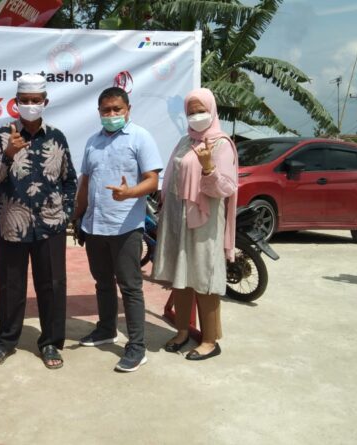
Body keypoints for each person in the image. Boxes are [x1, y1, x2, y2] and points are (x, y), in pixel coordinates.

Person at [0, 74, 78, 370]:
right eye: (24, 100)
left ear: (45, 102)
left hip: (50, 226)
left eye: (35, 100)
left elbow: (69, 179)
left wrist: (64, 212)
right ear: (15, 102)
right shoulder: (1, 135)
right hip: (11, 226)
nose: (30, 105)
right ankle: (5, 341)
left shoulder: (57, 137)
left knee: (53, 285)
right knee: (10, 287)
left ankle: (50, 342)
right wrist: (10, 155)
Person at [74, 86, 163, 372]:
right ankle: (106, 329)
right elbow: (85, 183)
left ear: (128, 110)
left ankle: (137, 346)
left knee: (130, 286)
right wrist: (77, 216)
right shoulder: (93, 142)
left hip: (126, 227)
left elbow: (152, 180)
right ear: (99, 112)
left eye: (117, 109)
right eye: (106, 110)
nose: (111, 114)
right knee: (102, 282)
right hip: (95, 226)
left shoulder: (140, 138)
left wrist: (130, 193)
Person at [154, 87, 238, 361]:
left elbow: (226, 188)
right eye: (191, 112)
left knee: (204, 278)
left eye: (201, 111)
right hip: (177, 216)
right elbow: (172, 176)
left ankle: (210, 340)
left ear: (212, 110)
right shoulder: (184, 141)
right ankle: (182, 332)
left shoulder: (221, 144)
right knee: (181, 278)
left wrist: (208, 167)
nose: (196, 116)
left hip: (204, 221)